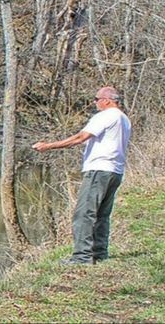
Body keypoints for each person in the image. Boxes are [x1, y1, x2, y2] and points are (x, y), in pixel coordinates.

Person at [32, 86, 131, 265]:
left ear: (106, 100)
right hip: (115, 171)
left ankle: (82, 257)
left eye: (96, 99)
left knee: (84, 213)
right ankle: (100, 254)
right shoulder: (124, 119)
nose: (95, 102)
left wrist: (48, 146)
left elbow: (80, 137)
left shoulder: (106, 116)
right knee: (102, 214)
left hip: (99, 170)